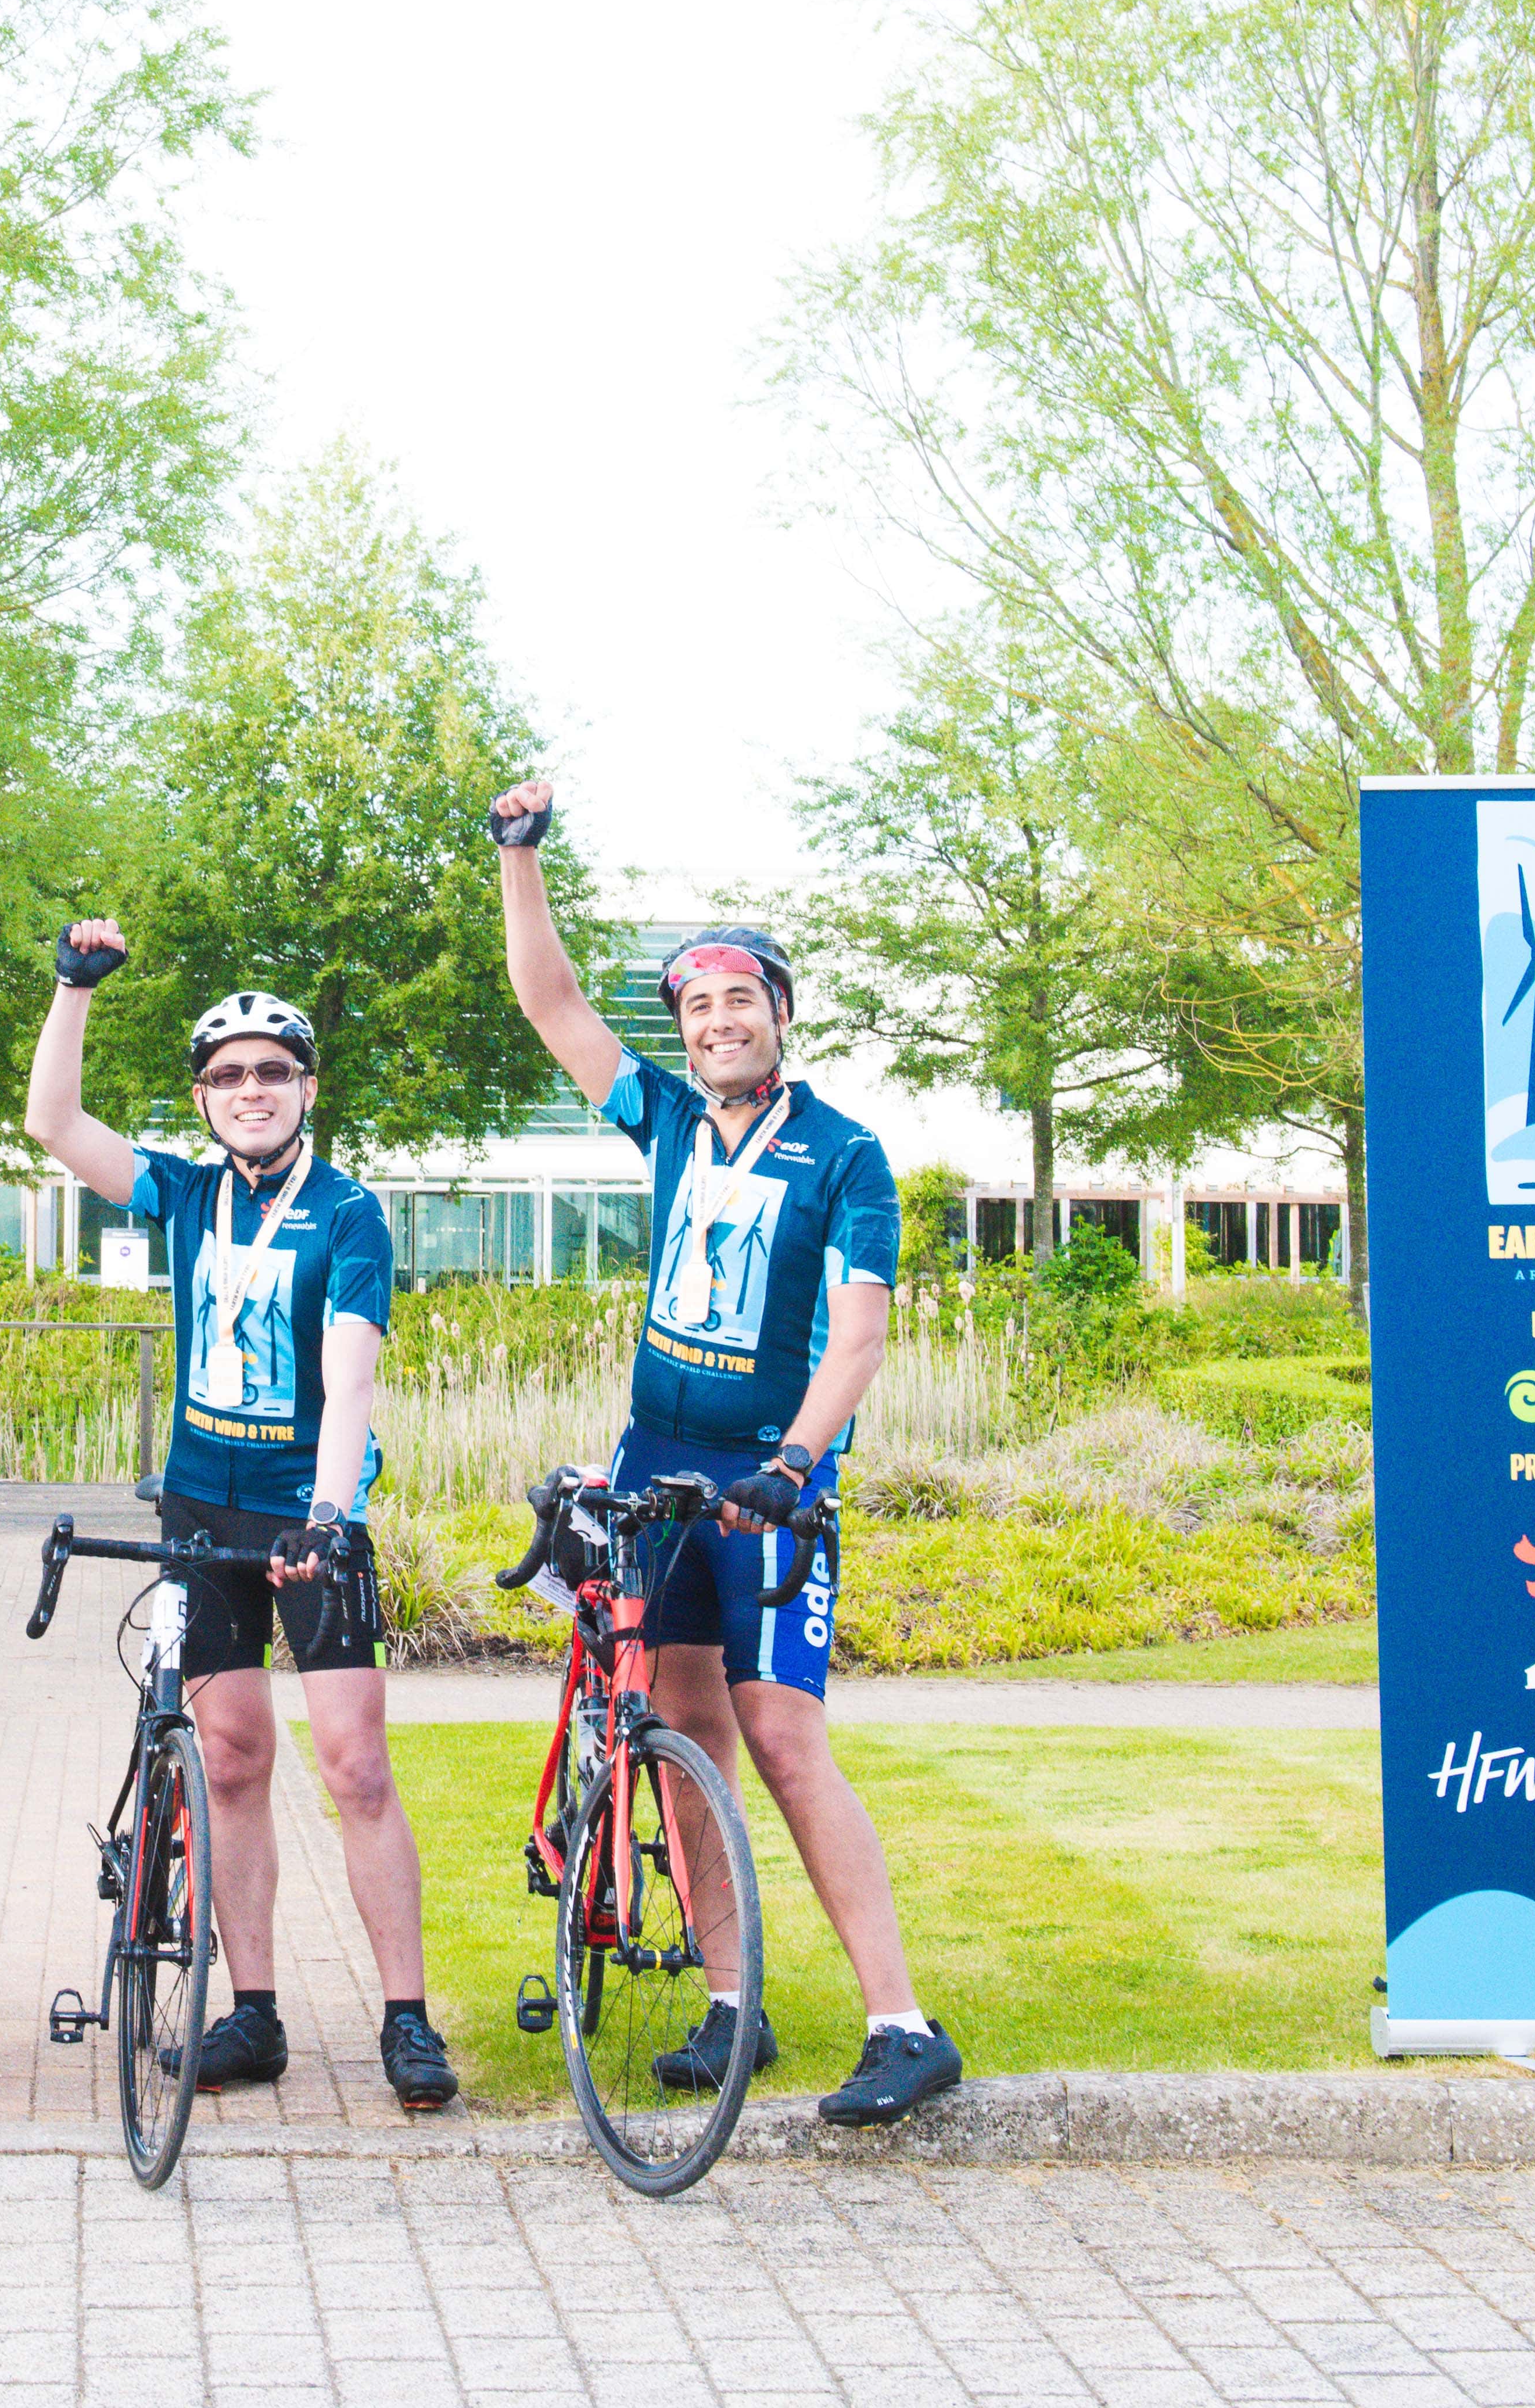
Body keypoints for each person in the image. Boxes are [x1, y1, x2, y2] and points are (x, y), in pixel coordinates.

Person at [486, 780, 964, 2129]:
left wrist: (798, 1462)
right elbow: (552, 1002)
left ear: (782, 1016)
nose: (716, 1024)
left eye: (738, 1002)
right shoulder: (669, 1123)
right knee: (681, 1719)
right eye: (696, 1009)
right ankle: (729, 1999)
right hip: (657, 1460)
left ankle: (902, 2023)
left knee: (783, 1732)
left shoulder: (846, 1154)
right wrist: (520, 857)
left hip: (769, 1480)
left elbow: (859, 1335)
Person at [22, 920, 457, 2110]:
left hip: (305, 1509)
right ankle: (252, 2010)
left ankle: (406, 2018)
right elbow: (53, 1124)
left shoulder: (348, 1211)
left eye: (273, 1070)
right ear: (204, 1098)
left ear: (306, 1089)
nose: (251, 1089)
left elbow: (351, 1365)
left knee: (354, 1763)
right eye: (227, 1074)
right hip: (199, 1506)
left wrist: (325, 1512)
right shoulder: (182, 1191)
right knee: (230, 1757)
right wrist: (73, 989)